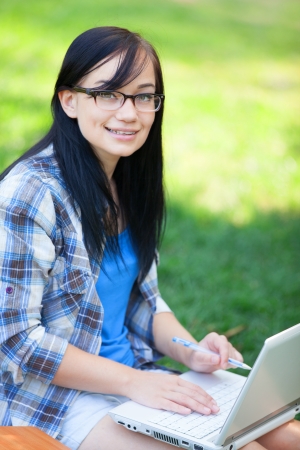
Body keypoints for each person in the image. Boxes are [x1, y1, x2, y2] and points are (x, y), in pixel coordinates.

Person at [0, 26, 299, 450]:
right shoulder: (30, 193)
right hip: (54, 401)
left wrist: (191, 352)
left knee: (286, 436)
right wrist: (135, 382)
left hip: (135, 381)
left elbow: (145, 301)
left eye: (144, 96)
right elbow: (15, 340)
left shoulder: (128, 180)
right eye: (108, 93)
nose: (129, 113)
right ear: (69, 100)